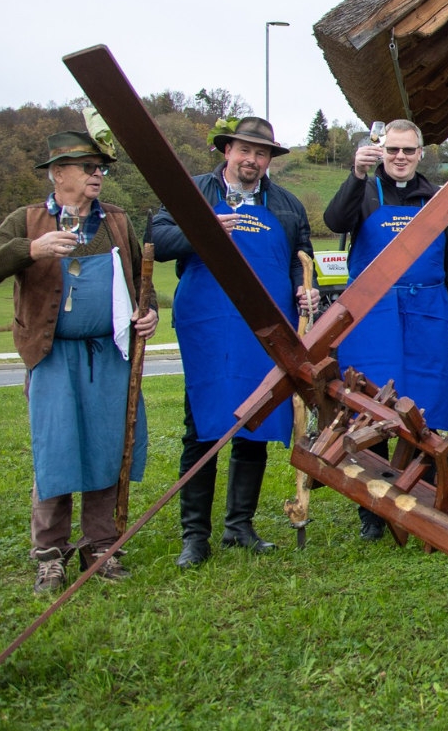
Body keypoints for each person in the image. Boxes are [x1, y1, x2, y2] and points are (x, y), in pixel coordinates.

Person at [0, 131, 158, 593]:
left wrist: (147, 311)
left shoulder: (115, 221)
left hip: (109, 353)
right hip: (51, 356)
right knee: (55, 451)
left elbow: (139, 278)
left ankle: (100, 547)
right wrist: (29, 250)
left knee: (107, 449)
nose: (98, 176)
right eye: (88, 167)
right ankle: (50, 554)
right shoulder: (28, 220)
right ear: (58, 174)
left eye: (101, 169)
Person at [150, 116, 316, 568]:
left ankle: (239, 527)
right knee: (201, 425)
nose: (252, 160)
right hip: (208, 322)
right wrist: (201, 234)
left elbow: (302, 258)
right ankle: (194, 536)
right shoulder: (195, 192)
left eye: (261, 153)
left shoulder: (285, 204)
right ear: (227, 151)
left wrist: (306, 287)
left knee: (255, 423)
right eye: (245, 151)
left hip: (263, 326)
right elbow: (158, 240)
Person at [324, 119, 448, 541]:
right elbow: (335, 221)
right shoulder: (365, 193)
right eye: (392, 151)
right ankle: (372, 512)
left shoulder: (440, 201)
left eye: (408, 150)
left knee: (424, 409)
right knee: (370, 406)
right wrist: (355, 174)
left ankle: (420, 501)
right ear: (381, 152)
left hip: (427, 312)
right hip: (374, 315)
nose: (400, 158)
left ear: (420, 154)